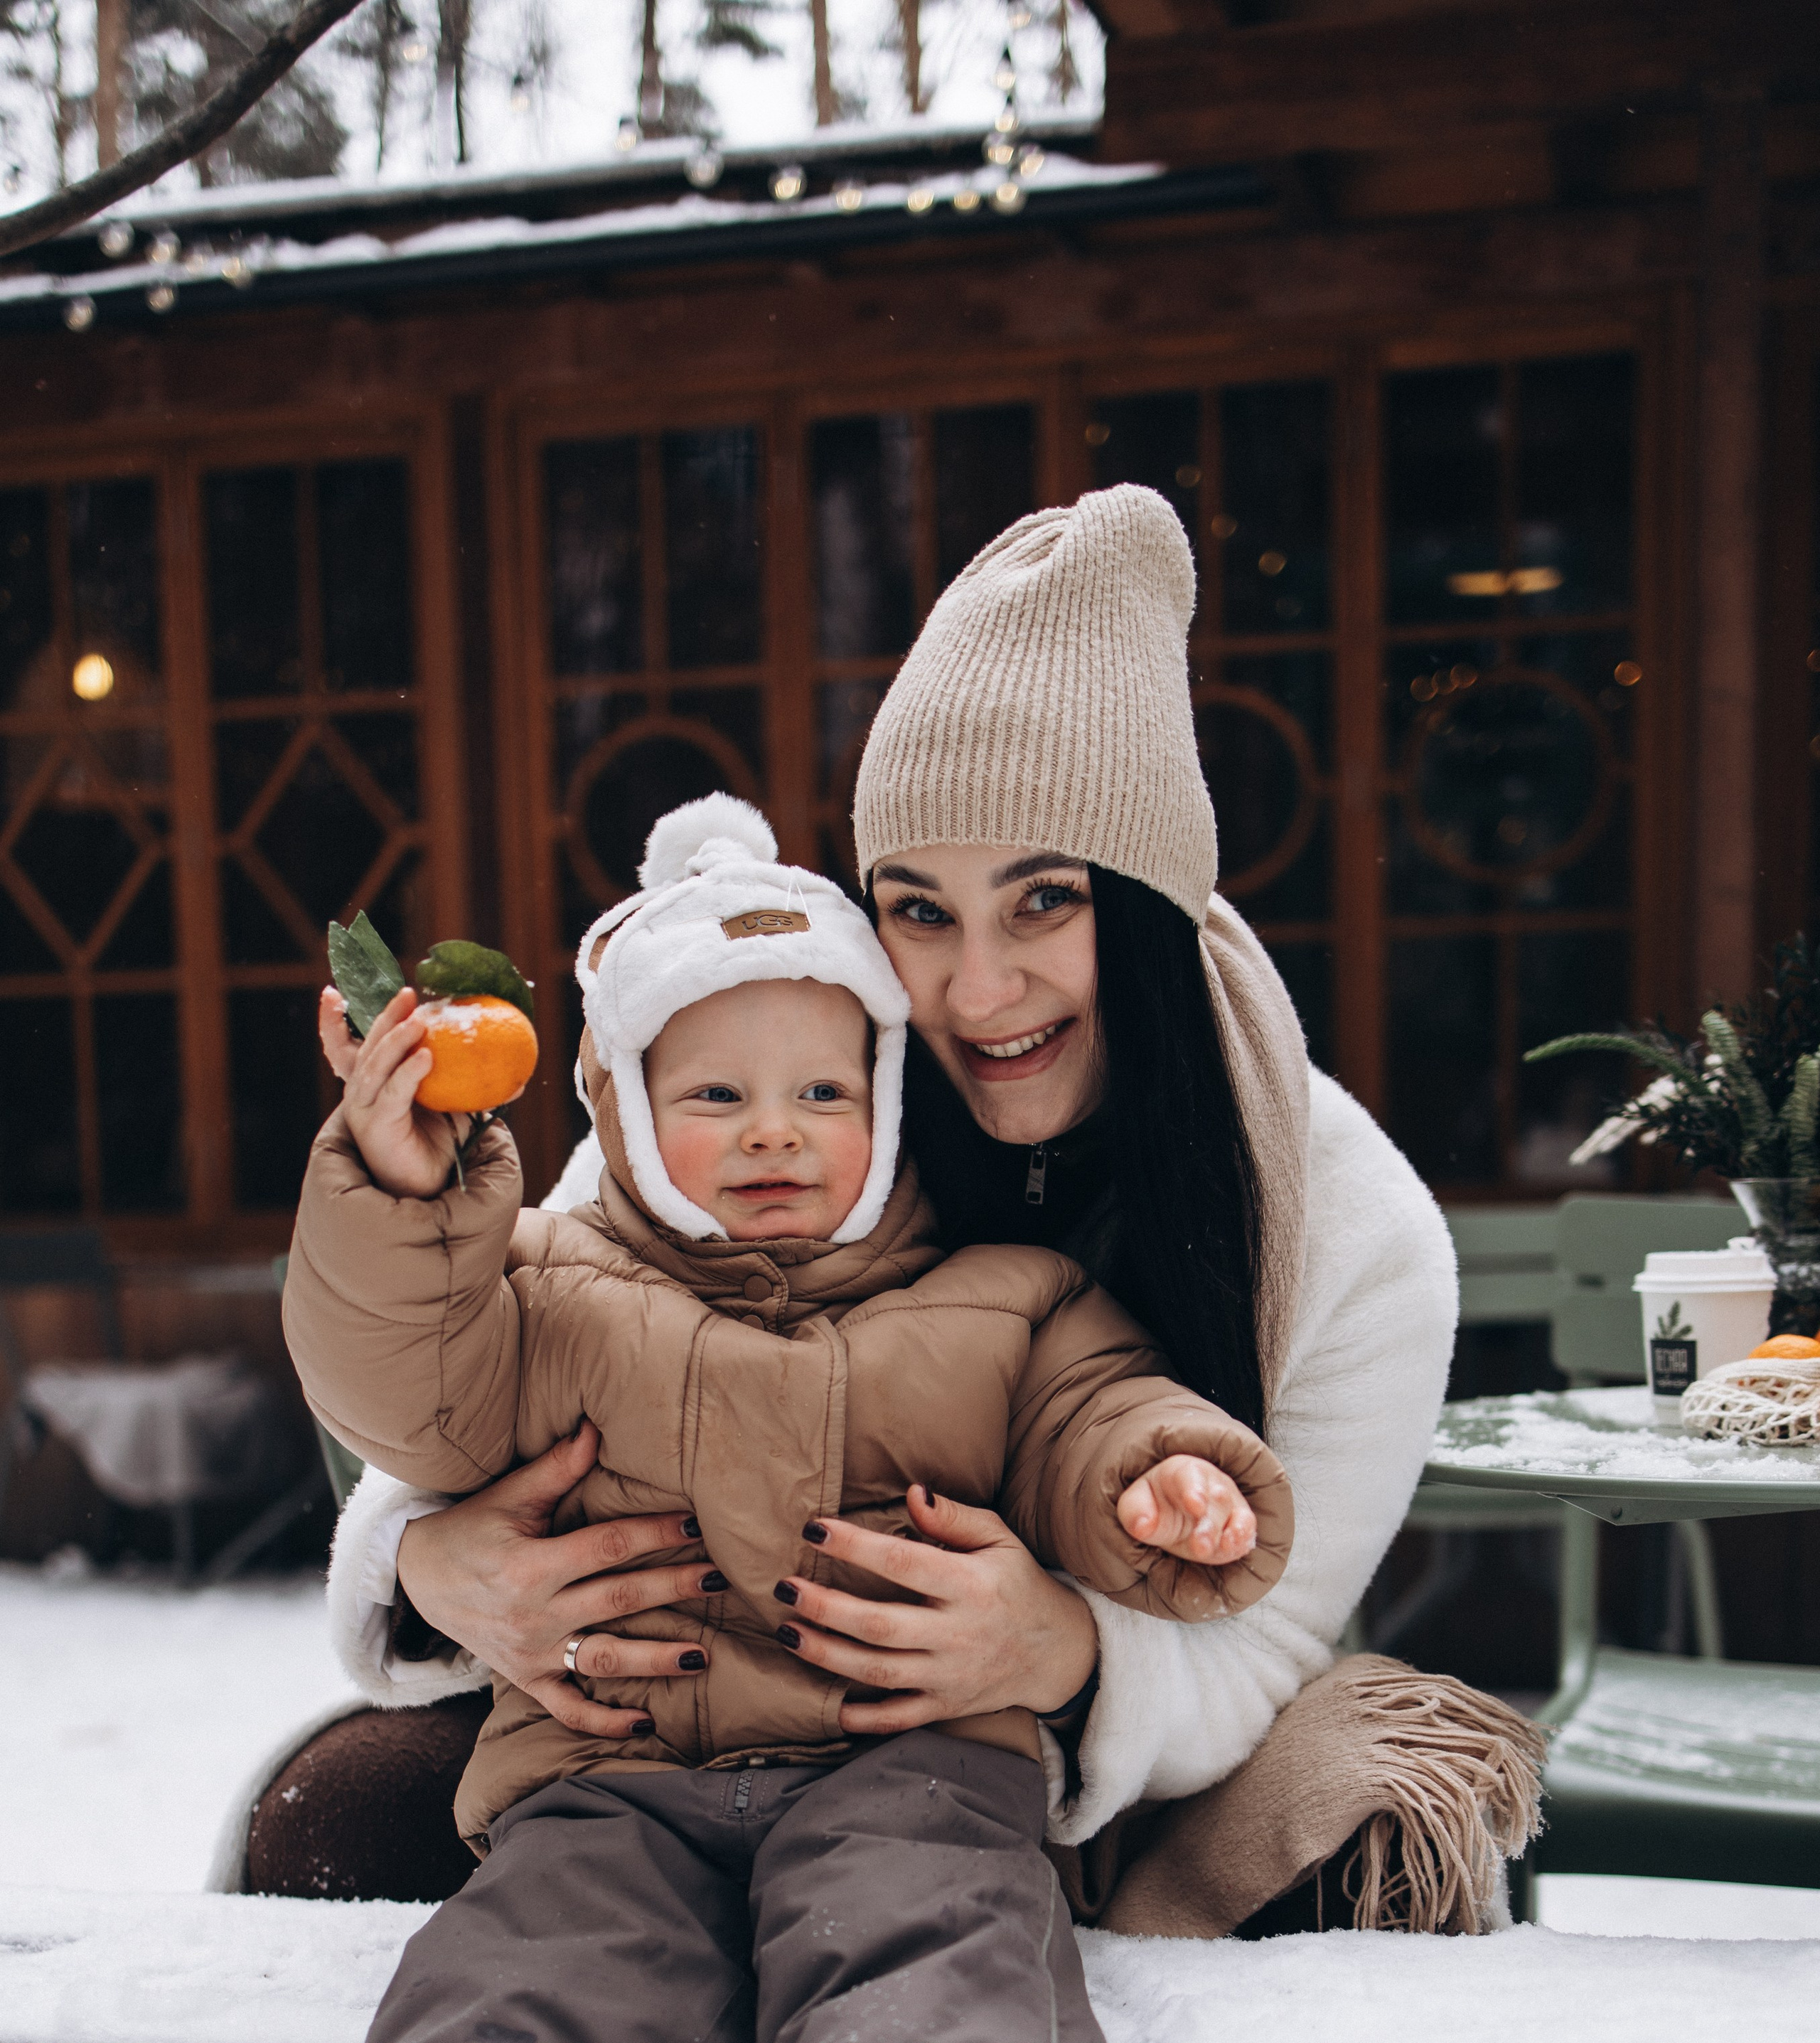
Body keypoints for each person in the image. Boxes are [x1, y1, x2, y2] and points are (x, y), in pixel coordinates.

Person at [262, 480, 1533, 1953]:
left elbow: (1257, 1643)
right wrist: (435, 1569)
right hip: (690, 1717)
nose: (975, 992)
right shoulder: (797, 1082)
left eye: (1042, 902)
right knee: (331, 1819)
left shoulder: (1355, 1227)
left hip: (1098, 1755)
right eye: (919, 910)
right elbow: (519, 1334)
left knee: (1340, 1876)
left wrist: (1059, 1649)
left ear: (1142, 902)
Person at [287, 794, 1293, 2043]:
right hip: (612, 1772)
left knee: (932, 1909)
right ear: (614, 1106)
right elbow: (404, 1396)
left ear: (891, 1104)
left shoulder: (999, 1300)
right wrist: (407, 1199)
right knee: (542, 1949)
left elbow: (1087, 1412)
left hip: (902, 1754)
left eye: (824, 1090)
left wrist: (1155, 1481)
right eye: (714, 1094)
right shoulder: (542, 1295)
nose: (775, 1132)